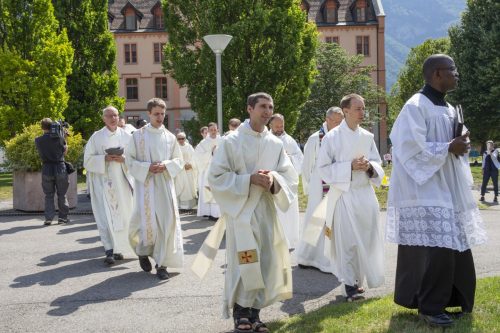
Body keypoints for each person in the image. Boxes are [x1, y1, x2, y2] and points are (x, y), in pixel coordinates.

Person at [386, 54, 487, 327]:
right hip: (424, 189)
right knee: (436, 251)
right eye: (453, 70)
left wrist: (461, 145)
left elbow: (454, 143)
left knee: (456, 246)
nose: (457, 74)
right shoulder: (415, 106)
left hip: (446, 185)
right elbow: (408, 149)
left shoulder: (450, 108)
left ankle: (451, 301)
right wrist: (447, 147)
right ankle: (429, 307)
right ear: (437, 73)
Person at [193, 92, 298, 333]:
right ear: (249, 109)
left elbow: (290, 176)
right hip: (241, 211)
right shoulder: (231, 141)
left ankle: (256, 313)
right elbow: (216, 176)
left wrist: (273, 179)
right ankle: (241, 311)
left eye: (270, 107)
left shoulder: (275, 143)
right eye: (263, 106)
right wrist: (248, 179)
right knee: (245, 261)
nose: (267, 112)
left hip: (266, 210)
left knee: (265, 261)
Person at [309, 94, 385, 302]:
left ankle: (358, 281)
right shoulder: (332, 138)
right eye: (358, 109)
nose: (363, 112)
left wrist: (369, 166)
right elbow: (322, 168)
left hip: (365, 195)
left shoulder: (367, 137)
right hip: (344, 195)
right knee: (348, 241)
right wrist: (348, 167)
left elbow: (379, 163)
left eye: (363, 108)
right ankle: (349, 285)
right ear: (346, 111)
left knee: (367, 239)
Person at [126, 98, 185, 280]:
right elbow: (130, 160)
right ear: (149, 114)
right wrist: (147, 168)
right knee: (140, 223)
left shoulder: (169, 137)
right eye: (156, 114)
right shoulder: (137, 136)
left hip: (165, 186)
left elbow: (179, 160)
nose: (160, 117)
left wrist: (166, 165)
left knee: (166, 224)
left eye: (162, 113)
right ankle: (142, 251)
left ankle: (162, 264)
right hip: (146, 186)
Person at [84, 106, 134, 265]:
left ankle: (122, 248)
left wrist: (124, 159)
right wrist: (104, 159)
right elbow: (87, 161)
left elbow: (135, 158)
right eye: (109, 116)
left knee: (125, 214)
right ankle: (109, 250)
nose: (113, 118)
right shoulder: (96, 137)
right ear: (103, 118)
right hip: (103, 183)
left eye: (115, 115)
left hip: (122, 183)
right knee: (105, 216)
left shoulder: (127, 136)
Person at [296, 106, 344, 272]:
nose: (339, 125)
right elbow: (307, 164)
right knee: (315, 219)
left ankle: (328, 258)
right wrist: (310, 187)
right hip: (319, 185)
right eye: (336, 121)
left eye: (341, 121)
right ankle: (307, 257)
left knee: (333, 218)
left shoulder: (341, 136)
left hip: (336, 182)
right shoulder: (315, 138)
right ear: (327, 120)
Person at [268, 113, 303, 249]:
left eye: (281, 125)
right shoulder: (266, 139)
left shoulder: (289, 140)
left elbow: (300, 158)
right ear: (270, 125)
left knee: (289, 213)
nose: (279, 128)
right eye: (277, 126)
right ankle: (274, 242)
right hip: (273, 183)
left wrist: (289, 158)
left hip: (288, 183)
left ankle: (289, 241)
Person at [35, 118, 70, 226]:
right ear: (52, 127)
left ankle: (48, 218)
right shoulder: (59, 138)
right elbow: (65, 151)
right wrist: (64, 138)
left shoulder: (38, 140)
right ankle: (62, 218)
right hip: (60, 167)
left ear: (42, 127)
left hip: (46, 169)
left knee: (49, 195)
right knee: (62, 194)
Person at [194, 122, 221, 220]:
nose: (213, 132)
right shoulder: (204, 142)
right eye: (211, 130)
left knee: (218, 192)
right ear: (208, 131)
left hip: (220, 170)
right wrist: (211, 152)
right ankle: (210, 213)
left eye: (215, 129)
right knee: (208, 192)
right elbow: (197, 156)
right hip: (208, 170)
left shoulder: (222, 140)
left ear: (217, 130)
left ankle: (219, 214)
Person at [174, 132, 198, 209]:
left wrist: (190, 164)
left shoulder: (189, 146)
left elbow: (194, 157)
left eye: (183, 138)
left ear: (185, 138)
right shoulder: (175, 147)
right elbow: (175, 158)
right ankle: (181, 206)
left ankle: (190, 206)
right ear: (177, 139)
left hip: (189, 169)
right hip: (180, 171)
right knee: (181, 187)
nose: (181, 140)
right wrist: (183, 165)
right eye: (179, 139)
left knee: (190, 187)